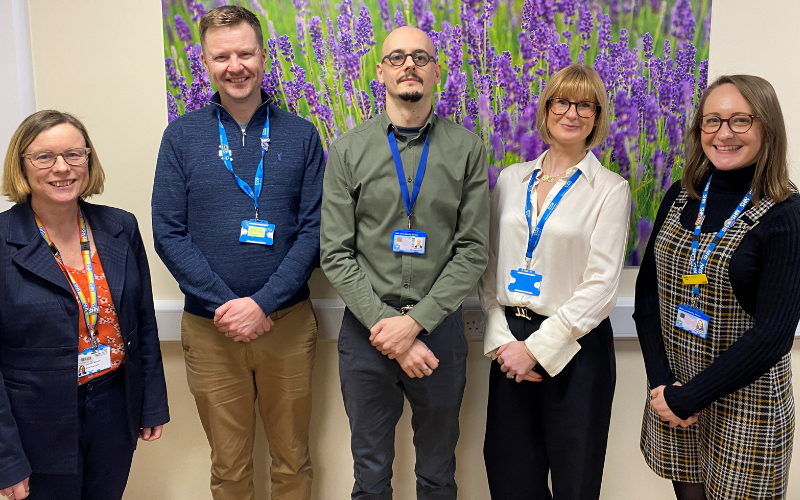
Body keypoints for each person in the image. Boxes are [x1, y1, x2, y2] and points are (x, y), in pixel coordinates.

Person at [152, 5, 324, 500]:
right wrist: (230, 307)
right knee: (229, 467)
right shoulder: (181, 136)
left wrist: (262, 304)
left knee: (293, 460)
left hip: (287, 325)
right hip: (210, 330)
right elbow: (168, 232)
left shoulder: (301, 135)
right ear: (205, 63)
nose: (235, 66)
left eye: (245, 53)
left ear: (264, 56)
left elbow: (313, 232)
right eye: (221, 56)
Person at [320, 26, 489, 500]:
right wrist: (389, 329)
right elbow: (335, 251)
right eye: (396, 58)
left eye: (420, 56)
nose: (408, 65)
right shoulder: (348, 149)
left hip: (439, 331)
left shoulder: (467, 149)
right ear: (381, 72)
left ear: (437, 69)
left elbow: (473, 248)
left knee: (437, 473)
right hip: (366, 333)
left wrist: (414, 324)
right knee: (370, 474)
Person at [635, 75, 800, 500]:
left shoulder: (785, 214)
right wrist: (663, 386)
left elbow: (774, 336)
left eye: (740, 120)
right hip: (673, 391)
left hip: (747, 407)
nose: (724, 133)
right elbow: (648, 294)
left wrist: (690, 397)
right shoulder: (680, 195)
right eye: (712, 121)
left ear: (767, 128)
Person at [479, 64, 631, 500]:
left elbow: (602, 285)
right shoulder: (511, 179)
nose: (572, 113)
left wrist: (538, 350)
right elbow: (490, 265)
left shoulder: (610, 189)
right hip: (510, 344)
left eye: (586, 105)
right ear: (546, 109)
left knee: (574, 481)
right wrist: (505, 343)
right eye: (562, 101)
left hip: (575, 348)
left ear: (598, 118)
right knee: (510, 477)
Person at [0, 110, 169, 500]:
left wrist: (152, 404)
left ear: (88, 160)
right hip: (36, 422)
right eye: (44, 157)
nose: (62, 168)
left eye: (74, 154)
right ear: (21, 166)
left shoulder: (119, 227)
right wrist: (6, 457)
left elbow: (142, 322)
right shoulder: (5, 240)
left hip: (113, 406)